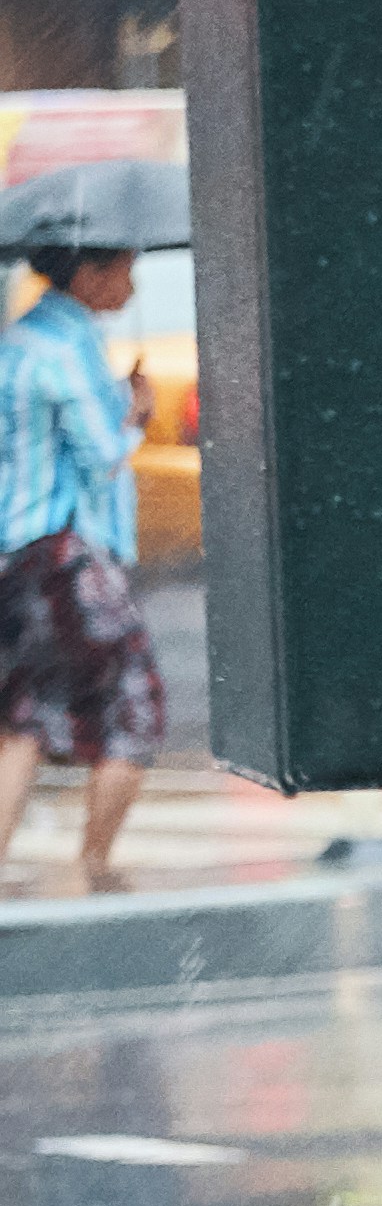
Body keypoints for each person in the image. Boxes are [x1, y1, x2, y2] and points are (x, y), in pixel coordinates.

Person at [0, 241, 160, 898]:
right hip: (63, 556)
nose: (133, 284)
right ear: (89, 275)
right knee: (135, 706)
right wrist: (138, 416)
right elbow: (102, 452)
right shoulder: (67, 348)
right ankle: (96, 865)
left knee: (23, 719)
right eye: (124, 268)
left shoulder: (19, 341)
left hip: (16, 553)